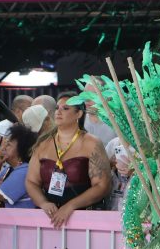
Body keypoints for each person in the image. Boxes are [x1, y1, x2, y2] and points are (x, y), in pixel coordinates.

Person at [24, 91, 112, 227]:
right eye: (57, 108)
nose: (59, 112)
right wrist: (43, 203)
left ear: (79, 114)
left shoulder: (92, 143)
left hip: (84, 219)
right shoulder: (43, 144)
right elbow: (31, 181)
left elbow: (102, 186)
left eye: (65, 108)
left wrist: (70, 206)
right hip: (49, 219)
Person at [0, 123, 37, 208]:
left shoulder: (24, 172)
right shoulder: (9, 168)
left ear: (21, 151)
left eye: (8, 145)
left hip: (19, 220)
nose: (3, 148)